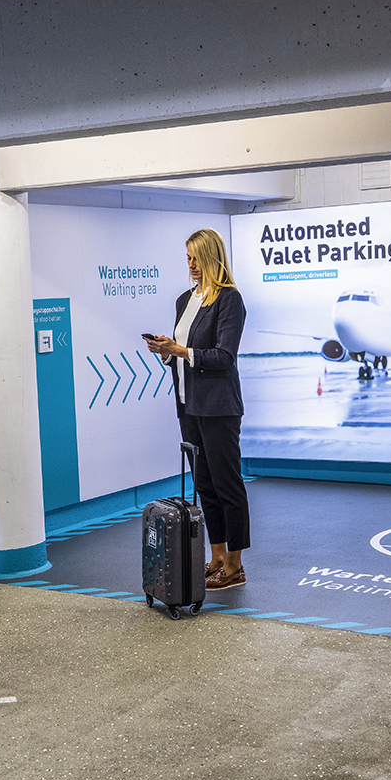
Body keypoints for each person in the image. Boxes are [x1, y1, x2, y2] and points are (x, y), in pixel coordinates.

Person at [145, 228, 251, 589]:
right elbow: (184, 353)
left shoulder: (229, 300)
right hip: (188, 405)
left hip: (219, 407)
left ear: (210, 257)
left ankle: (235, 565)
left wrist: (182, 352)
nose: (190, 265)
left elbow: (224, 357)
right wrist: (167, 353)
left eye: (195, 258)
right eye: (187, 258)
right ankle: (217, 556)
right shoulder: (184, 300)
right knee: (204, 485)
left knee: (227, 485)